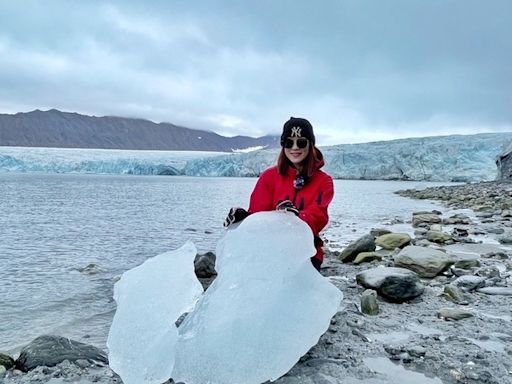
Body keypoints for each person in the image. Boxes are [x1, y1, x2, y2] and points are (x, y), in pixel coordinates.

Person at [223, 117, 334, 270]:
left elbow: (319, 217)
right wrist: (243, 219)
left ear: (310, 144)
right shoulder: (269, 177)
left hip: (306, 253)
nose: (295, 148)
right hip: (270, 250)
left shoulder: (323, 181)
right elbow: (258, 214)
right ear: (283, 145)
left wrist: (296, 218)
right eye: (289, 142)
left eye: (301, 142)